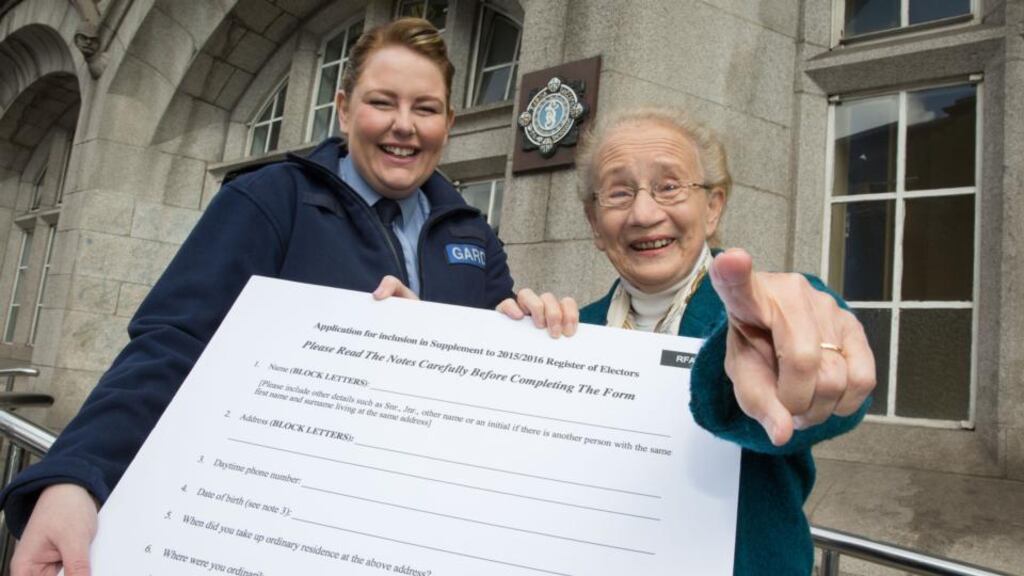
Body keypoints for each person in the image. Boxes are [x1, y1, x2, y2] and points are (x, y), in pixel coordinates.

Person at [0, 18, 576, 576]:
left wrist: (528, 338)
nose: (405, 125)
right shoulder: (268, 201)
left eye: (424, 109)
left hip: (409, 528)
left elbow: (486, 396)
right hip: (279, 518)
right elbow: (173, 344)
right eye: (383, 103)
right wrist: (78, 473)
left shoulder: (472, 232)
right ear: (345, 108)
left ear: (447, 122)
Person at [570, 106, 876, 574]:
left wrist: (800, 356)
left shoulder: (766, 310)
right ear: (594, 223)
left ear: (712, 207)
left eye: (669, 186)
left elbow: (821, 387)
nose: (645, 213)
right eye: (618, 192)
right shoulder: (573, 331)